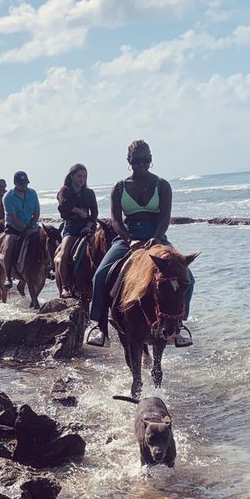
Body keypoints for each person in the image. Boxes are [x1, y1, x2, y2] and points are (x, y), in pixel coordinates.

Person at [86, 139, 194, 347]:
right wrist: (129, 240)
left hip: (157, 238)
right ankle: (100, 327)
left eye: (145, 160)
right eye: (136, 161)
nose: (141, 164)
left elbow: (165, 217)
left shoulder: (162, 186)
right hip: (128, 237)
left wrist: (156, 237)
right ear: (129, 161)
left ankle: (180, 325)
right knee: (100, 275)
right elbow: (116, 220)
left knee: (187, 277)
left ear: (151, 159)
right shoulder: (119, 188)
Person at [56, 163, 99, 297]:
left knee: (99, 248)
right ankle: (65, 286)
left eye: (84, 176)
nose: (82, 179)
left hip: (88, 226)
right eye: (79, 176)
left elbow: (94, 212)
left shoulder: (89, 193)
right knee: (64, 254)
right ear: (72, 177)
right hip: (72, 227)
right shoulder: (65, 190)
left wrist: (89, 225)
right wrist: (78, 211)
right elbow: (63, 205)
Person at [1, 170, 40, 284]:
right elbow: (13, 217)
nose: (24, 186)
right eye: (21, 184)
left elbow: (36, 212)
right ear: (15, 183)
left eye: (25, 183)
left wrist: (31, 226)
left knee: (48, 241)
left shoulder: (33, 193)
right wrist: (25, 229)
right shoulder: (8, 197)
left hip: (31, 225)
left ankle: (49, 268)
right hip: (14, 228)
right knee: (8, 247)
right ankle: (8, 276)